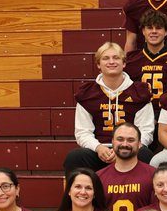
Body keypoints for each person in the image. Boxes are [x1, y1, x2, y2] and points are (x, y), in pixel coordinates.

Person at [65, 42, 155, 173]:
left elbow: (146, 130)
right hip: (100, 149)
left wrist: (126, 147)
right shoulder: (87, 93)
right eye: (106, 58)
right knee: (75, 157)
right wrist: (98, 148)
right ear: (98, 65)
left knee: (145, 154)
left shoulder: (139, 92)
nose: (111, 62)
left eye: (116, 58)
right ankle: (79, 192)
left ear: (124, 63)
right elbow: (82, 132)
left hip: (129, 148)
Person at [98, 122, 156, 211]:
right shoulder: (99, 177)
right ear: (113, 142)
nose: (125, 144)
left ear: (139, 144)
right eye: (120, 139)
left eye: (131, 140)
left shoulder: (153, 175)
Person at [125, 10, 167, 102]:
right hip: (141, 113)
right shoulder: (131, 60)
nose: (154, 31)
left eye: (158, 28)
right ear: (143, 31)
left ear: (166, 32)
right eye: (150, 28)